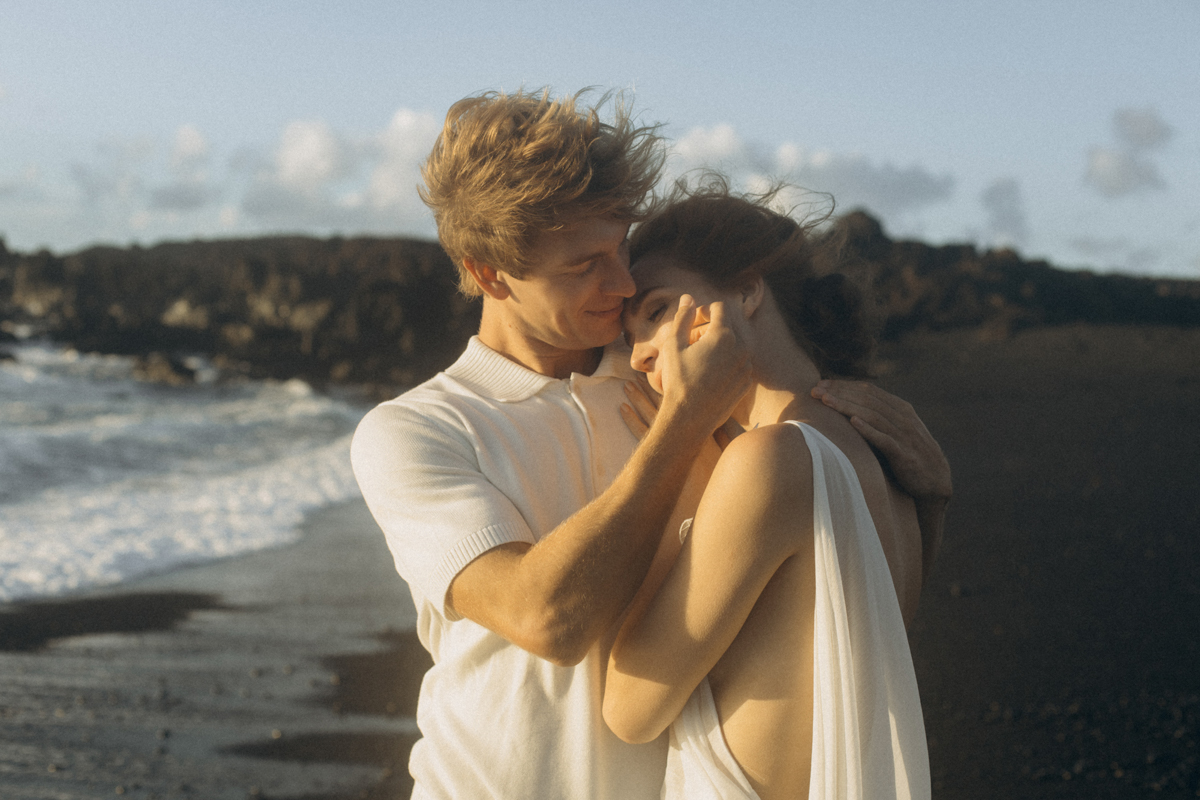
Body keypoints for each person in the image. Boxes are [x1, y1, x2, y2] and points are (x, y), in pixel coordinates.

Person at [350, 89, 950, 799]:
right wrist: (683, 427)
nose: (622, 281)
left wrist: (928, 495)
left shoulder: (670, 372)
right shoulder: (418, 430)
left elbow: (831, 599)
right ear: (488, 272)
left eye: (621, 246)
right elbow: (545, 619)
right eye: (584, 264)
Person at [602, 184, 947, 799]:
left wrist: (679, 449)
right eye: (631, 339)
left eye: (657, 311)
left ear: (746, 291)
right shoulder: (887, 461)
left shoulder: (766, 461)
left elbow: (630, 711)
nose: (639, 358)